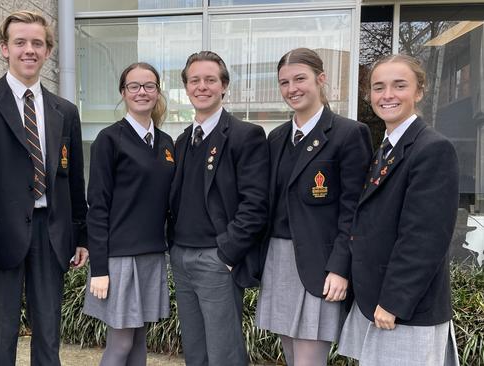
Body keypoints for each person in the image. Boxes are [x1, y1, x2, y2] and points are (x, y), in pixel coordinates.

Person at [0, 10, 88, 366]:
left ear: (48, 51)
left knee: (48, 333)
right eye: (20, 43)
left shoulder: (65, 110)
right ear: (4, 48)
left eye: (38, 43)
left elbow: (72, 178)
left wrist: (80, 235)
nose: (29, 50)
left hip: (51, 233)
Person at [337, 54, 460, 366]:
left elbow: (424, 238)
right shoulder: (388, 147)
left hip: (403, 309)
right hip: (376, 298)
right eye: (378, 87)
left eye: (399, 85)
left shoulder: (432, 148)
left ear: (419, 91)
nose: (387, 95)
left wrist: (393, 302)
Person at [255, 47, 372, 366]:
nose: (292, 88)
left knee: (309, 359)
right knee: (292, 354)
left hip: (319, 263)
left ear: (321, 79)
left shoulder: (349, 134)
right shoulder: (277, 138)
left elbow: (355, 209)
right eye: (284, 82)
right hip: (279, 259)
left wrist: (340, 267)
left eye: (300, 79)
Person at [168, 50, 269, 366]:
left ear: (224, 86)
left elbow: (256, 204)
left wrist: (227, 254)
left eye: (210, 79)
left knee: (224, 353)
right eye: (194, 80)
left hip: (216, 258)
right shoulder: (183, 141)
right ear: (186, 88)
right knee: (195, 352)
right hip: (181, 257)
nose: (202, 86)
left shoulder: (244, 135)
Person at [83, 62, 175, 366]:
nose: (142, 92)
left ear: (158, 92)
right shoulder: (109, 140)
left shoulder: (166, 144)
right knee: (120, 343)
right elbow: (97, 207)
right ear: (123, 92)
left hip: (151, 255)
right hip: (119, 259)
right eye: (133, 86)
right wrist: (99, 268)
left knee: (139, 342)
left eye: (149, 85)